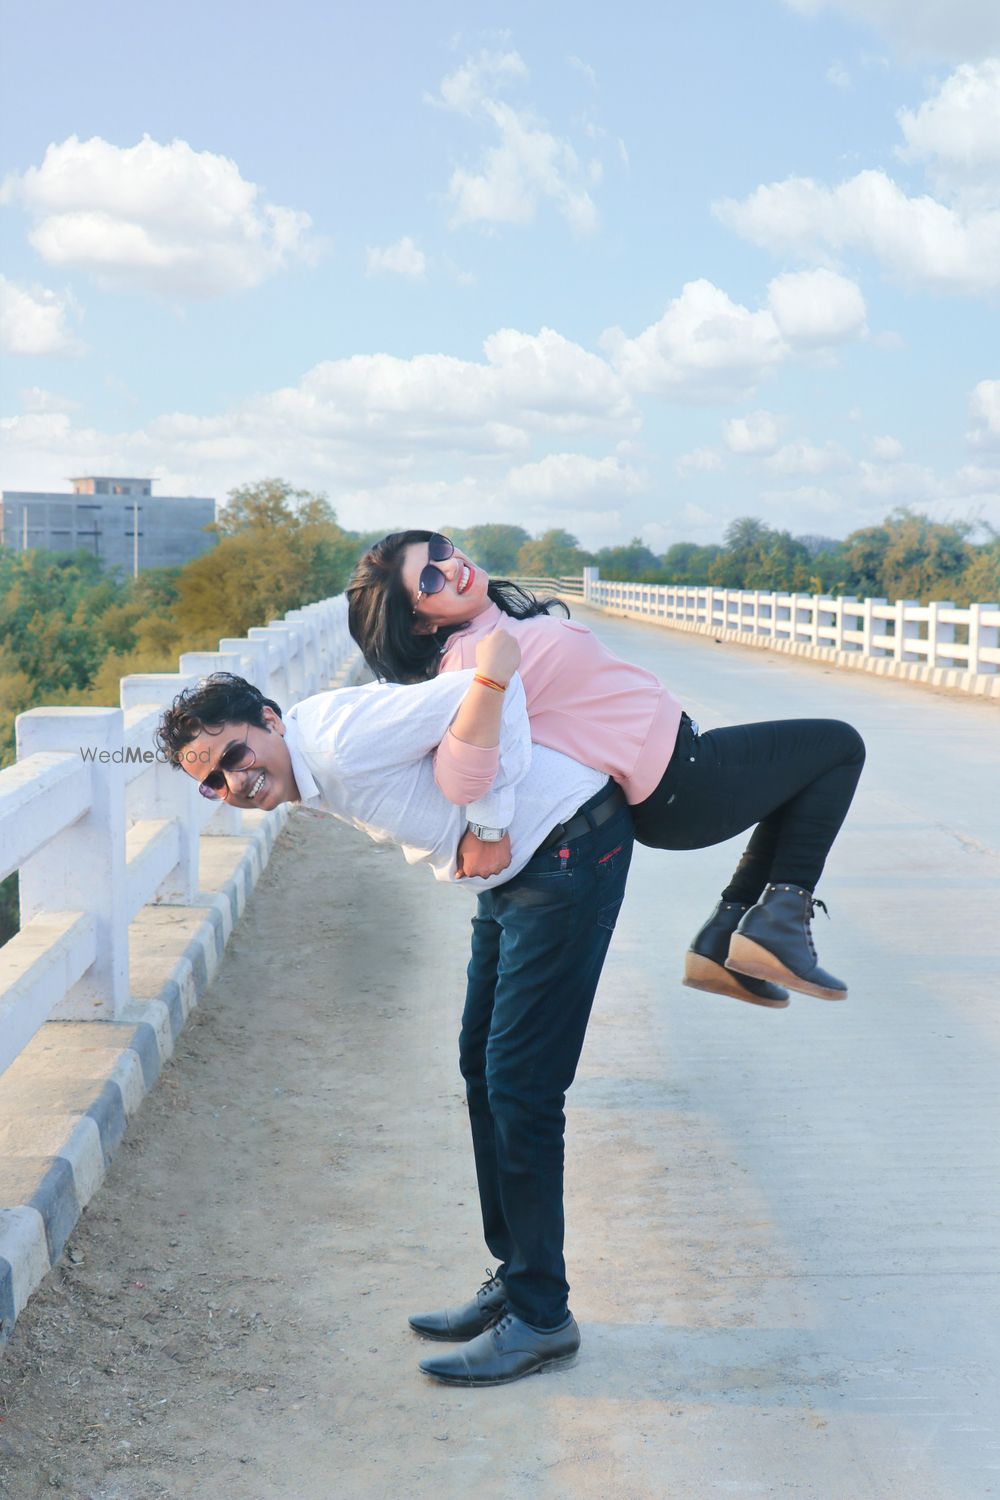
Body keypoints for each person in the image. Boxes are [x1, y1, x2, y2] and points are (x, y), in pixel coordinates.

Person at [155, 633, 634, 1388]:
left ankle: (543, 1319)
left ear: (271, 722)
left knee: (521, 1086)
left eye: (234, 756)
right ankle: (519, 1278)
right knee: (483, 1069)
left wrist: (486, 822)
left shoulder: (338, 740)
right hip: (518, 875)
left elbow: (490, 684)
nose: (233, 783)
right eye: (212, 783)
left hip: (565, 849)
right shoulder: (309, 763)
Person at [347, 530, 866, 1012]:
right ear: (419, 622)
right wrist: (486, 822)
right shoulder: (470, 662)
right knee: (839, 747)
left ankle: (723, 939)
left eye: (440, 548)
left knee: (794, 777)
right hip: (679, 783)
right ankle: (777, 926)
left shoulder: (491, 628)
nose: (450, 565)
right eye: (430, 579)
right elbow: (459, 776)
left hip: (677, 771)